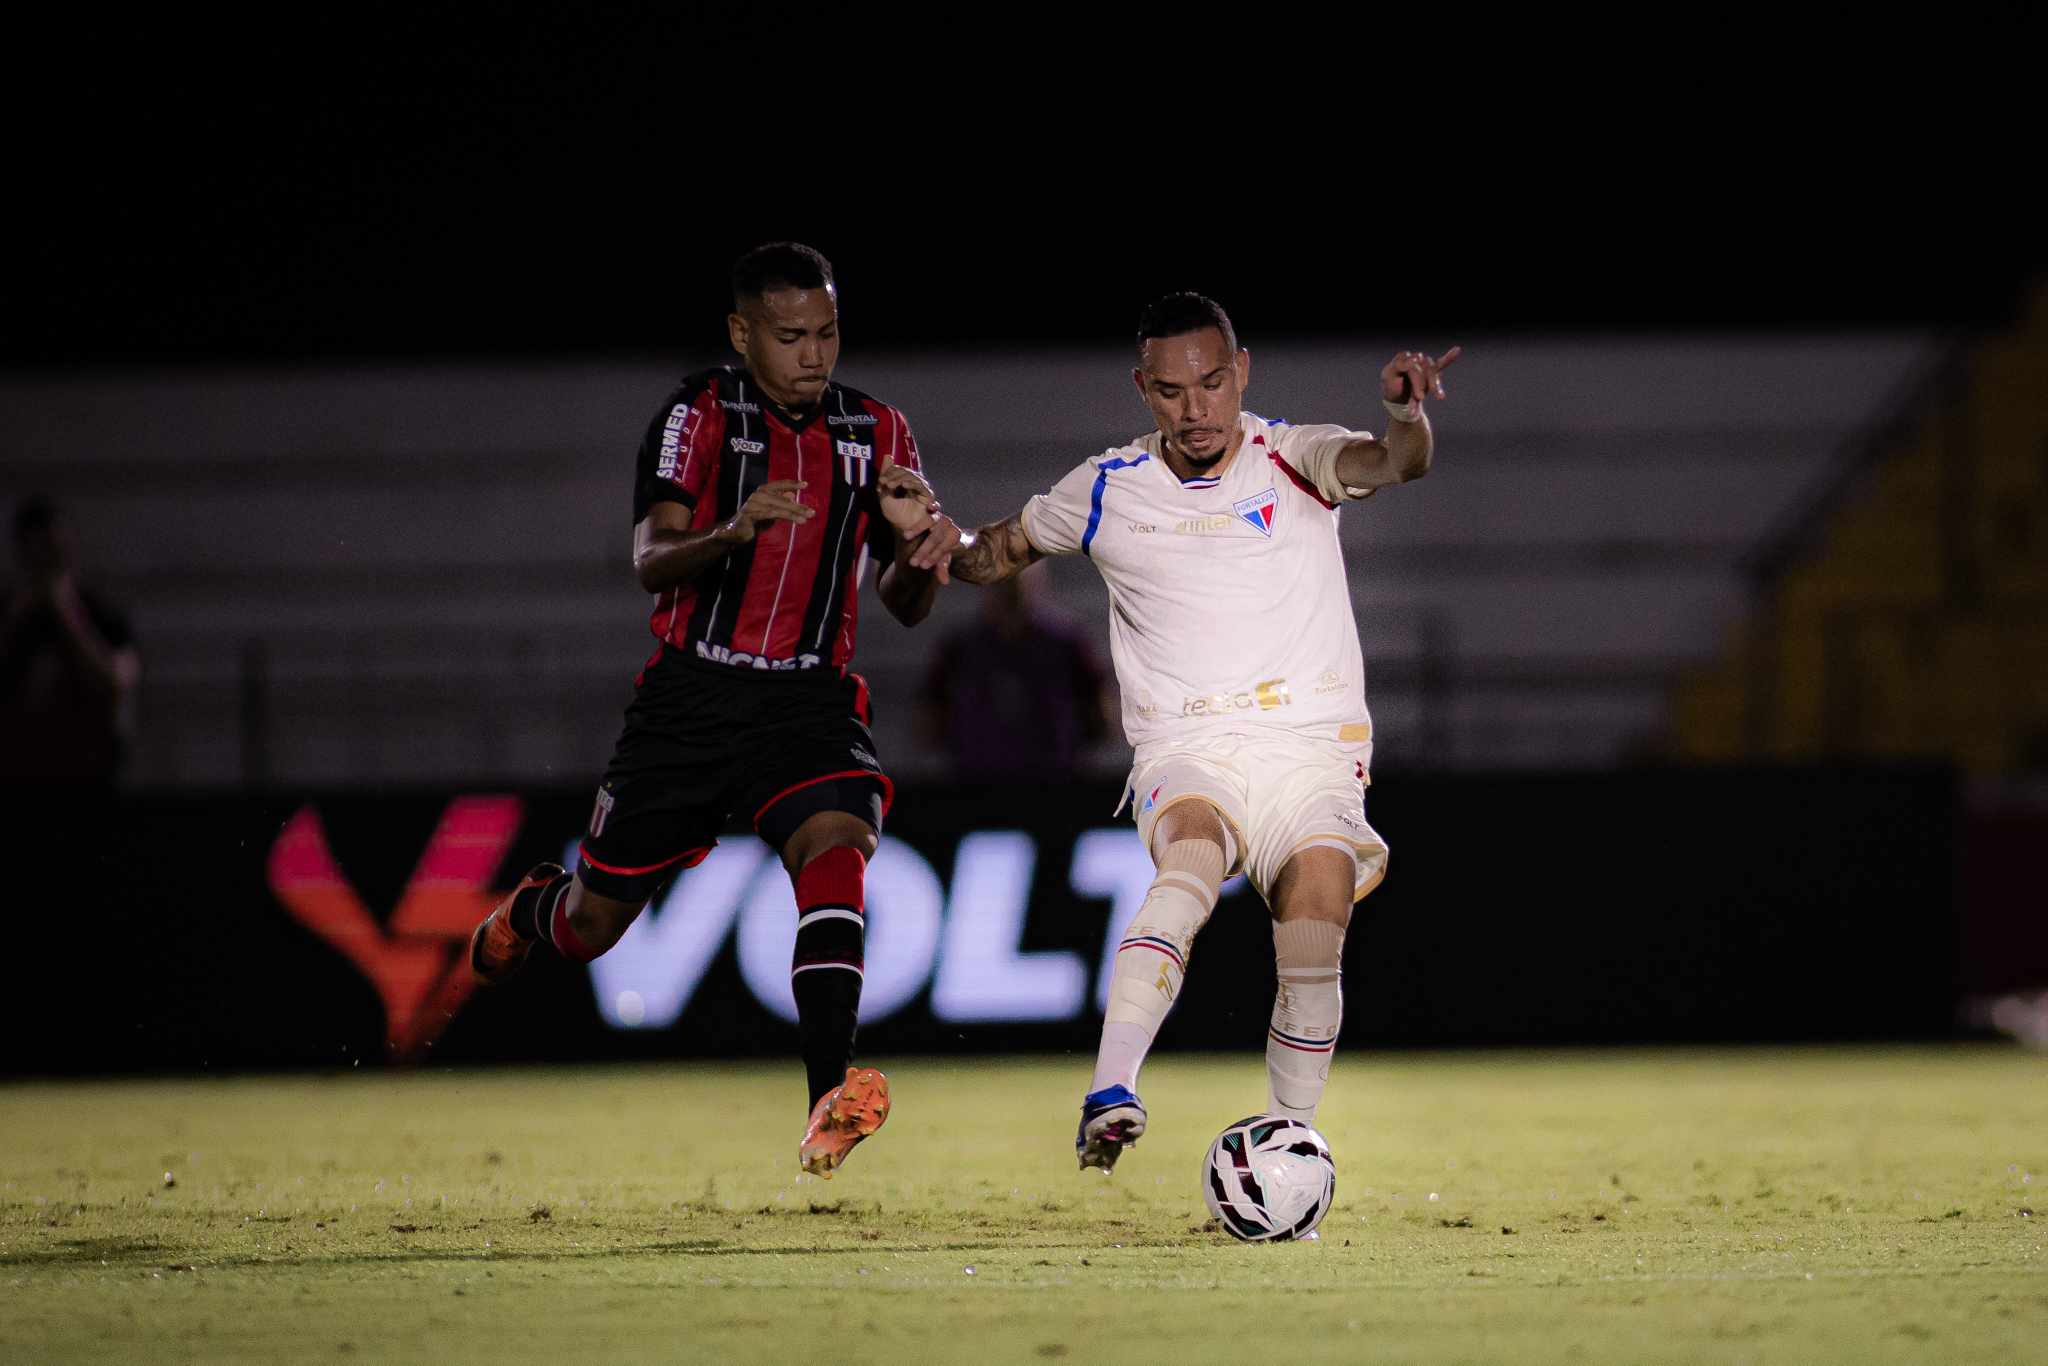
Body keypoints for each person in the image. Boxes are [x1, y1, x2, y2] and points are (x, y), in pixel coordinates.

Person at [906, 293, 1458, 1171]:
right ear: (1143, 389)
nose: (1194, 408)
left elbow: (1397, 461)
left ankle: (1290, 1146)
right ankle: (1110, 1090)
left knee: (1315, 915)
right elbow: (993, 553)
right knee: (1191, 860)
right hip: (1189, 746)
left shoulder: (1296, 456)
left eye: (1210, 383)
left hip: (1311, 747)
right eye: (1170, 391)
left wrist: (1404, 412)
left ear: (1241, 373)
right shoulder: (1107, 488)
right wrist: (941, 536)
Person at [467, 243, 960, 1177]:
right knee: (593, 926)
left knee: (838, 845)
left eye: (827, 333)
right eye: (790, 336)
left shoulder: (879, 430)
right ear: (743, 334)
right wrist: (735, 530)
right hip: (691, 697)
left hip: (809, 695)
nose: (814, 354)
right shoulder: (699, 414)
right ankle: (536, 909)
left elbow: (904, 602)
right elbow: (651, 559)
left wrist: (914, 549)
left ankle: (827, 1097)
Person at [916, 564, 1111, 779]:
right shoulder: (961, 646)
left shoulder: (1065, 643)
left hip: (1053, 778)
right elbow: (931, 713)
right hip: (978, 780)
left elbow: (1098, 710)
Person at [1, 496, 140, 787]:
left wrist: (66, 616)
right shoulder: (10, 615)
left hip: (86, 779)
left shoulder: (101, 617)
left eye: (52, 552)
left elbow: (117, 682)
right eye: (35, 553)